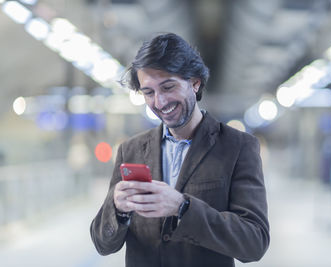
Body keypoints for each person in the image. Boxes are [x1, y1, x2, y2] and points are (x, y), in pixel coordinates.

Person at [90, 32, 270, 267]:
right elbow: (103, 244)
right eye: (149, 92)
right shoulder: (131, 150)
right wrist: (118, 209)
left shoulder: (237, 147)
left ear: (195, 82)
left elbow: (253, 243)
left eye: (168, 87)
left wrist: (182, 207)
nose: (160, 102)